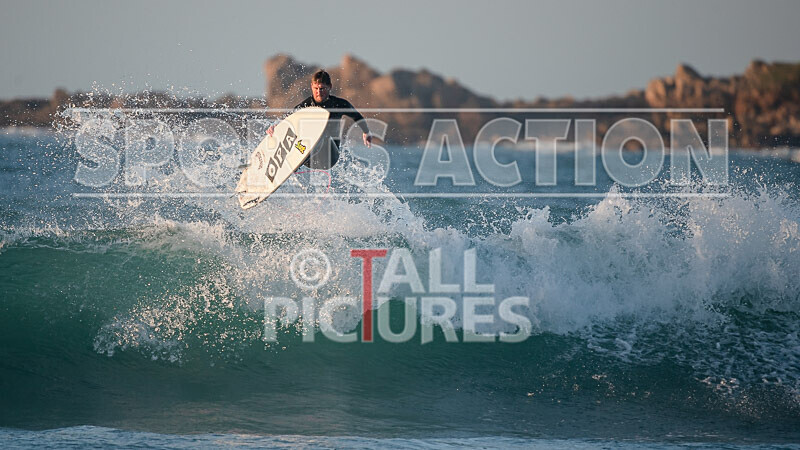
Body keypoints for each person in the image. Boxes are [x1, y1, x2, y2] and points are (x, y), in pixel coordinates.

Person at [267, 70, 372, 169]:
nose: (318, 92)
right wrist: (276, 128)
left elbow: (357, 116)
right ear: (311, 86)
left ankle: (293, 166)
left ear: (330, 87)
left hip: (330, 157)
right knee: (295, 132)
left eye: (322, 89)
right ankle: (281, 162)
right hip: (307, 156)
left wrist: (366, 132)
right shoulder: (305, 106)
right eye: (316, 88)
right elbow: (288, 121)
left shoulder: (339, 104)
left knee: (321, 130)